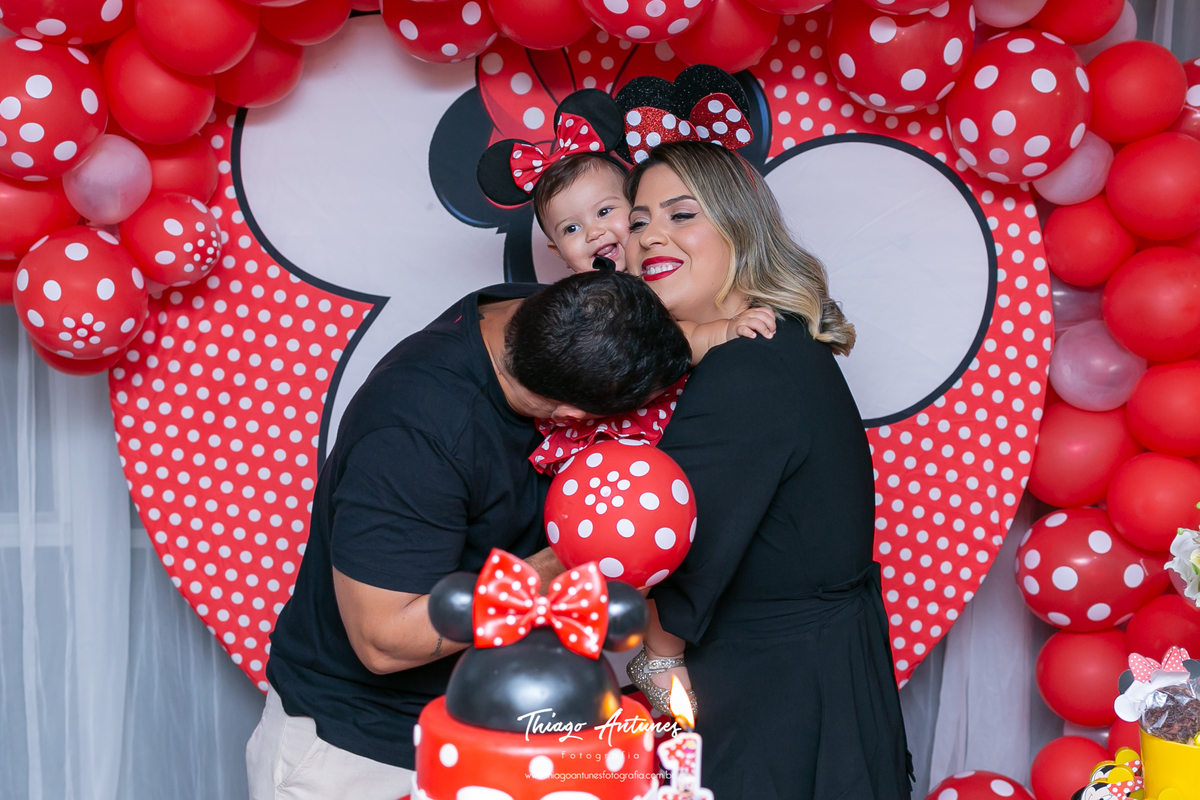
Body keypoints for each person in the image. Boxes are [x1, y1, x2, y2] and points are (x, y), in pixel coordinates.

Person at [247, 271, 692, 800]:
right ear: (574, 417)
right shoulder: (416, 430)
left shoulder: (530, 315)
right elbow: (382, 640)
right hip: (361, 754)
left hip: (495, 738)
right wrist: (568, 558)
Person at [623, 141, 912, 799]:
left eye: (681, 214)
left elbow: (676, 544)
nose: (650, 237)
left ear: (739, 229)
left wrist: (657, 665)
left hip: (777, 707)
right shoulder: (771, 340)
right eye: (638, 221)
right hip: (814, 687)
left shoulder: (746, 367)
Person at [525, 153, 776, 475]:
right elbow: (672, 341)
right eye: (572, 228)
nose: (594, 233)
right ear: (558, 252)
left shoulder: (655, 277)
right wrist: (726, 332)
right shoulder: (594, 302)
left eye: (604, 211)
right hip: (613, 432)